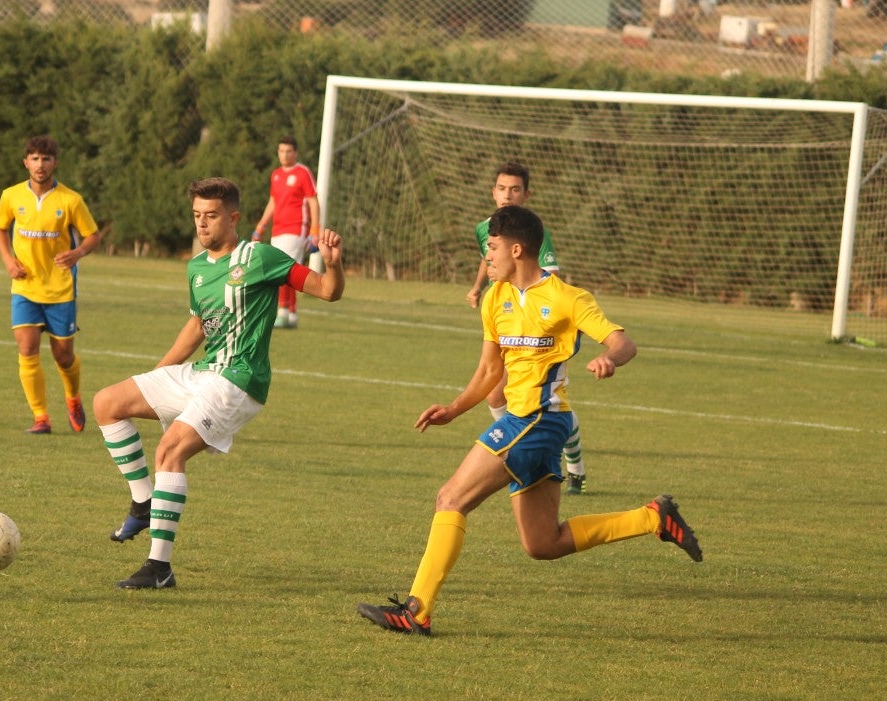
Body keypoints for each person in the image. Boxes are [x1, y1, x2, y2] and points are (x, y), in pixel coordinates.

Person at [357, 205, 700, 637]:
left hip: (539, 420)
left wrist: (609, 359)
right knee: (543, 543)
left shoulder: (567, 297)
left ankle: (416, 611)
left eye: (493, 248)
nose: (488, 258)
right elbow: (487, 372)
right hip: (528, 423)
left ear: (517, 249)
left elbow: (623, 342)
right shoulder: (494, 298)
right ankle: (652, 518)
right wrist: (454, 409)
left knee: (450, 498)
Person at [94, 177, 344, 589]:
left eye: (211, 216)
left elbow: (327, 291)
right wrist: (157, 374)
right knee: (107, 403)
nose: (202, 225)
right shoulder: (196, 268)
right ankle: (143, 502)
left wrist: (332, 262)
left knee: (169, 449)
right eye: (196, 216)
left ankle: (160, 568)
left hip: (239, 380)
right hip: (205, 372)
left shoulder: (261, 257)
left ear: (233, 217)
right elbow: (198, 327)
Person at [464, 161, 589, 495]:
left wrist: (543, 317)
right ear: (493, 191)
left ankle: (573, 463)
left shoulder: (534, 230)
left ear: (526, 194)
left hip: (536, 328)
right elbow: (488, 258)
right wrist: (478, 287)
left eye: (515, 189)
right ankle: (523, 440)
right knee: (495, 391)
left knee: (550, 401)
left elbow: (548, 276)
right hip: (503, 313)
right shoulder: (484, 228)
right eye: (502, 188)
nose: (508, 195)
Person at [0, 135, 100, 435]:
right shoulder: (11, 196)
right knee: (26, 348)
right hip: (25, 287)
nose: (40, 165)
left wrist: (78, 253)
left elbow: (93, 235)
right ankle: (41, 418)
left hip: (60, 289)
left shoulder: (70, 200)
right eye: (35, 158)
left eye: (46, 159)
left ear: (55, 163)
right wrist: (8, 260)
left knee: (63, 356)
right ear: (26, 162)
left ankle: (74, 399)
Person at [251, 135, 320, 329]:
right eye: (281, 151)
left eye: (288, 151)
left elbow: (313, 201)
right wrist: (261, 226)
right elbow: (273, 201)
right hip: (278, 229)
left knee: (279, 270)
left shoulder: (302, 173)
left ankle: (281, 313)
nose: (284, 154)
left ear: (295, 153)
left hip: (296, 228)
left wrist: (314, 230)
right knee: (288, 272)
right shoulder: (276, 174)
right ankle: (291, 315)